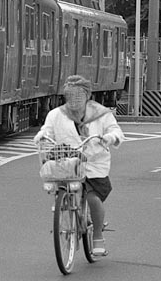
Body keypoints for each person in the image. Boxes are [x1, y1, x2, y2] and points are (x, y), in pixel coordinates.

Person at [33, 75, 124, 257]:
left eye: (79, 95)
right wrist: (41, 135)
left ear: (87, 95)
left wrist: (109, 138)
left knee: (92, 197)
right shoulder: (56, 114)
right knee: (60, 186)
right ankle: (66, 215)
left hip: (93, 162)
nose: (74, 99)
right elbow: (47, 130)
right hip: (67, 163)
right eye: (70, 95)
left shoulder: (101, 113)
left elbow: (116, 131)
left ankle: (97, 236)